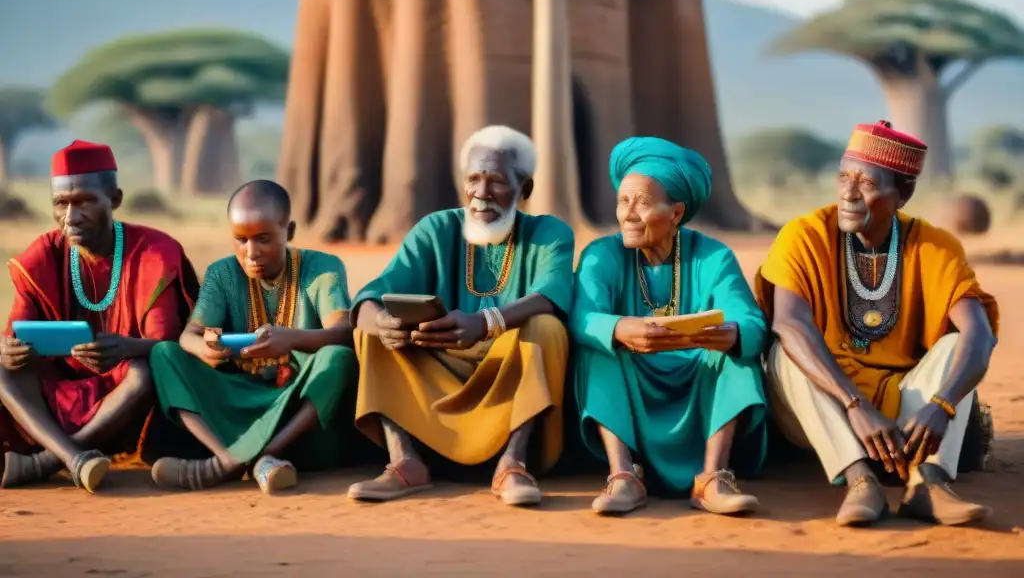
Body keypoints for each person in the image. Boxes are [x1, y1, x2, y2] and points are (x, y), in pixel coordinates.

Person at [755, 120, 999, 527]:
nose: (849, 193)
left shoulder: (935, 246)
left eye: (866, 183)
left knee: (958, 344)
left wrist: (942, 404)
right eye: (843, 177)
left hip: (906, 413)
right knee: (787, 349)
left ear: (903, 194)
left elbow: (979, 333)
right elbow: (789, 322)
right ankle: (858, 480)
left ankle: (928, 483)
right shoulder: (804, 235)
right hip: (825, 407)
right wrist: (856, 406)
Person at [348, 126, 574, 506]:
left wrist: (484, 324)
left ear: (526, 190)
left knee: (546, 328)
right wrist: (381, 322)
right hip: (439, 368)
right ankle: (405, 462)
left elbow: (550, 296)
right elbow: (371, 295)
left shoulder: (549, 234)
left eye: (497, 182)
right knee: (368, 331)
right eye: (473, 179)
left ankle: (513, 464)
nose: (481, 195)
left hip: (507, 371)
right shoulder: (436, 229)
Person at [571, 137, 768, 516]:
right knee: (599, 349)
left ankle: (713, 477)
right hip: (631, 375)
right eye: (622, 201)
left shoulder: (713, 256)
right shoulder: (602, 254)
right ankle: (623, 475)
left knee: (738, 355)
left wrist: (734, 334)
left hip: (697, 376)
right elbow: (582, 317)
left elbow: (751, 322)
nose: (628, 214)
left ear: (676, 213)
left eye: (642, 203)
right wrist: (621, 328)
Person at [0, 140, 198, 493]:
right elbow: (14, 336)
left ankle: (48, 461)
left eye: (84, 202)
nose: (70, 217)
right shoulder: (42, 255)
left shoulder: (154, 253)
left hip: (126, 401)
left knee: (143, 371)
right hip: (54, 393)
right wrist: (11, 351)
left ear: (115, 200)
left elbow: (167, 346)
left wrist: (125, 348)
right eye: (61, 204)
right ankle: (75, 458)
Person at [147, 180, 358, 494]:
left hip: (295, 409)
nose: (251, 252)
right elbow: (188, 336)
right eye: (240, 240)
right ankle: (237, 458)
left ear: (290, 230)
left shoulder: (322, 268)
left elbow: (343, 333)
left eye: (263, 239)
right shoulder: (223, 274)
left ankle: (226, 466)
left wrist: (293, 339)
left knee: (337, 358)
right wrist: (205, 347)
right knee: (164, 354)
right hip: (236, 399)